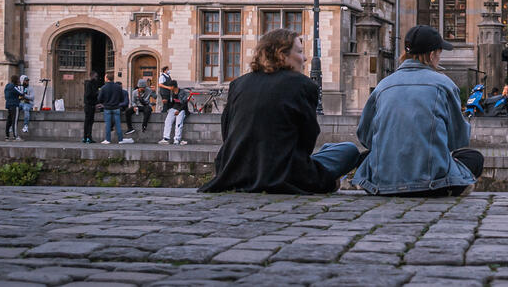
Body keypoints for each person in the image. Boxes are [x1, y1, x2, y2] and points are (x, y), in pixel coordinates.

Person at [201, 29, 364, 193]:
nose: (305, 58)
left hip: (233, 172)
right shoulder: (303, 84)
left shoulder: (238, 84)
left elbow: (227, 132)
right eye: (300, 52)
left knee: (328, 150)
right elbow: (307, 140)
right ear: (282, 55)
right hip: (283, 174)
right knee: (348, 150)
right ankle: (326, 178)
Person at [353, 25, 483, 196]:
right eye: (439, 53)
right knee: (474, 158)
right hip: (431, 184)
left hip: (383, 183)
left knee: (365, 157)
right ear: (431, 55)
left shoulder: (382, 86)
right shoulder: (444, 84)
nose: (439, 58)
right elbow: (457, 138)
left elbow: (365, 137)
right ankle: (452, 185)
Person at [159, 68, 189, 145]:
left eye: (170, 87)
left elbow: (184, 103)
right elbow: (172, 103)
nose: (170, 88)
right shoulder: (172, 93)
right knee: (168, 121)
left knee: (178, 123)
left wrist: (178, 111)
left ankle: (177, 139)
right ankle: (166, 138)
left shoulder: (182, 92)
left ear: (173, 86)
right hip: (174, 108)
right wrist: (166, 103)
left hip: (181, 109)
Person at [98, 75, 132, 144]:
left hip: (107, 108)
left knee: (108, 124)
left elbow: (99, 99)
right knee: (118, 124)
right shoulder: (118, 87)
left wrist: (104, 102)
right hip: (116, 107)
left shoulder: (103, 88)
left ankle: (108, 139)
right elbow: (122, 98)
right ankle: (120, 139)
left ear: (107, 79)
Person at [2, 74, 28, 140]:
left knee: (9, 121)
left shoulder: (7, 86)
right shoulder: (13, 86)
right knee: (15, 121)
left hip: (8, 104)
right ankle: (15, 136)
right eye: (18, 80)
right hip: (14, 105)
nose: (19, 81)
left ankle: (7, 136)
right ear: (16, 80)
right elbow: (21, 93)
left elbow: (6, 95)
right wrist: (24, 88)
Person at [81, 70, 102, 144]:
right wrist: (96, 93)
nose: (97, 78)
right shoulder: (89, 84)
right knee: (88, 122)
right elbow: (88, 95)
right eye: (96, 76)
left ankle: (87, 137)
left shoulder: (92, 84)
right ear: (92, 76)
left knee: (89, 121)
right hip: (89, 106)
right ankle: (87, 137)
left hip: (91, 105)